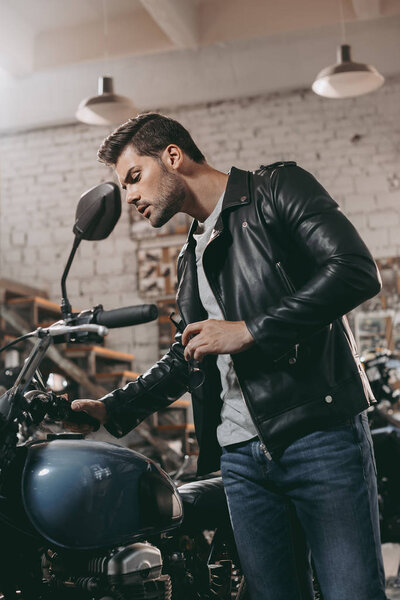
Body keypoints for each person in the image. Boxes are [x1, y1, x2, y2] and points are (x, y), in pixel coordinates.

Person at [71, 112, 387, 600]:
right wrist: (113, 408)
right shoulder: (189, 256)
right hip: (240, 459)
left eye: (135, 177)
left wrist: (252, 330)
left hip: (318, 434)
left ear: (173, 157)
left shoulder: (275, 191)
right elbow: (190, 354)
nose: (129, 196)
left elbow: (355, 270)